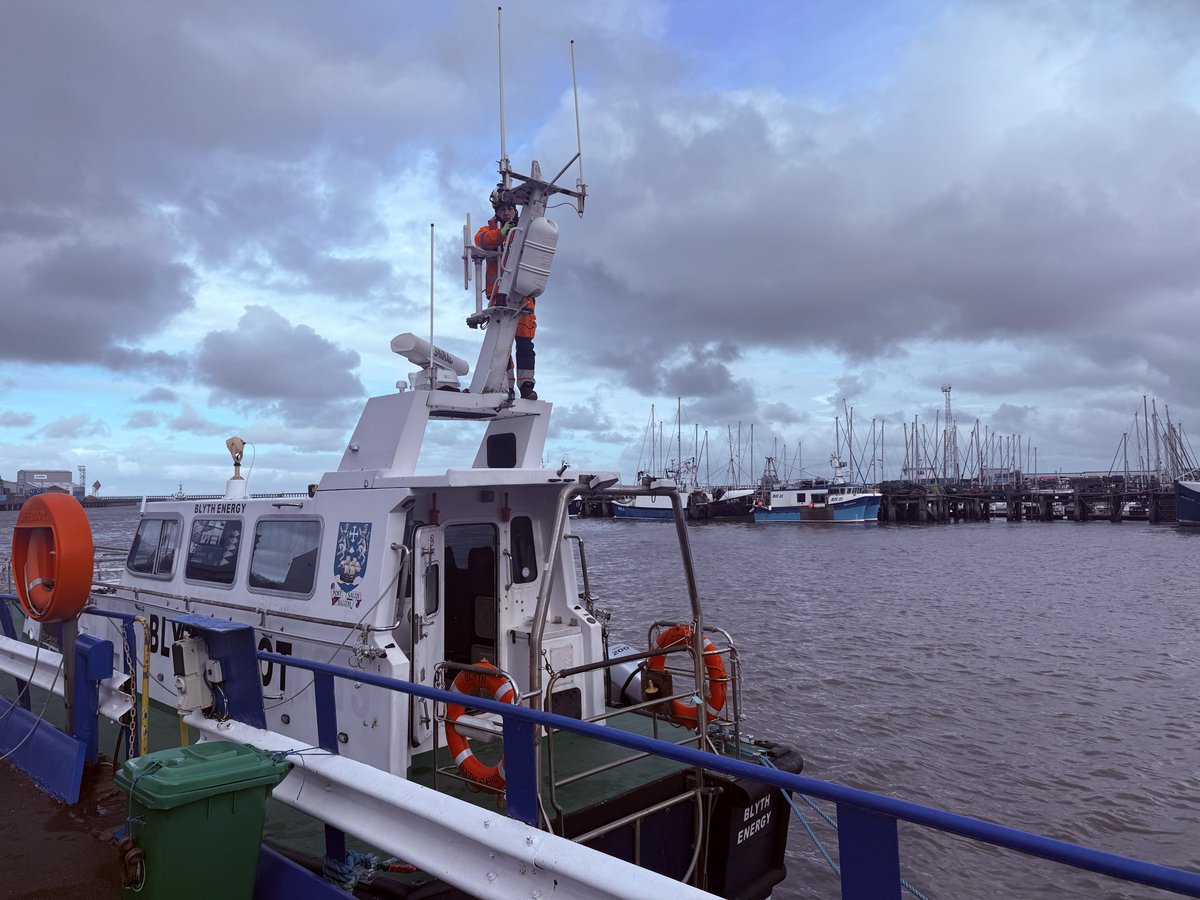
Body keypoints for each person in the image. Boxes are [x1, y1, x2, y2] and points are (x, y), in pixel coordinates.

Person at [475, 186, 537, 399]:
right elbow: (481, 241)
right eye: (503, 209)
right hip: (498, 297)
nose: (507, 212)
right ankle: (507, 386)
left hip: (522, 298)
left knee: (525, 345)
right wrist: (502, 233)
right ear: (496, 211)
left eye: (510, 208)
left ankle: (526, 385)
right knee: (502, 347)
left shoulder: (528, 228)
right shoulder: (488, 230)